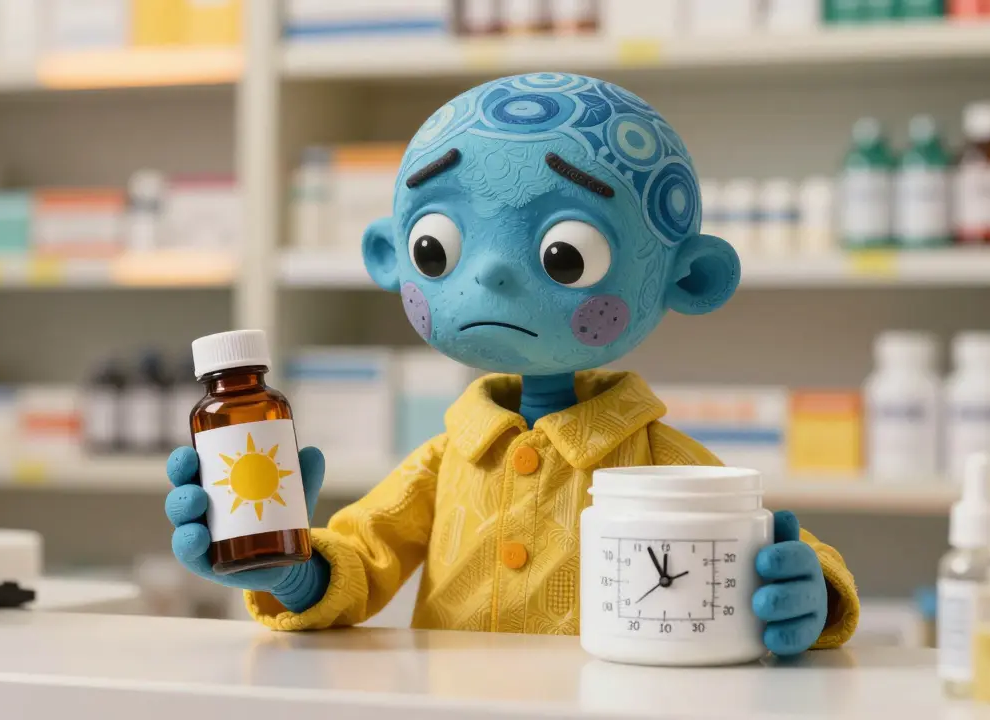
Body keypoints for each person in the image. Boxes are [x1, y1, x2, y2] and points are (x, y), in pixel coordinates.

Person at [164, 73, 858, 654]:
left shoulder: (655, 462)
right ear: (390, 256)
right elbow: (364, 557)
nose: (493, 271)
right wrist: (292, 572)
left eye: (565, 254)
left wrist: (808, 594)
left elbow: (765, 546)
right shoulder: (446, 461)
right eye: (436, 247)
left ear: (691, 277)